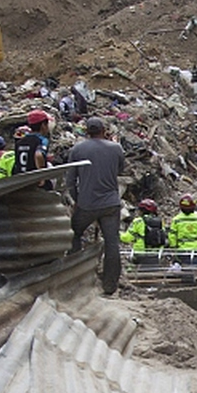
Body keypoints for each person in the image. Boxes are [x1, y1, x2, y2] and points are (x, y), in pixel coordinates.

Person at [67, 119, 127, 295]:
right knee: (112, 243)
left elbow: (70, 181)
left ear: (87, 131)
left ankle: (76, 278)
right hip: (110, 203)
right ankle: (110, 285)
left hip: (87, 204)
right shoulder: (116, 148)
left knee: (74, 234)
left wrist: (77, 200)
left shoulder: (77, 149)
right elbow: (120, 170)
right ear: (103, 130)